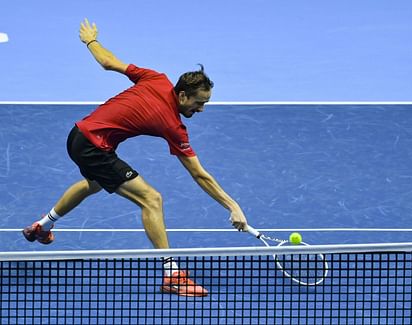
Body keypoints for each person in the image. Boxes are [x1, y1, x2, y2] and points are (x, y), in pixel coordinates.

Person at [22, 19, 248, 297]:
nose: (201, 109)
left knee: (93, 183)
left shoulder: (156, 78)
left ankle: (42, 226)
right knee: (151, 199)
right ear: (182, 95)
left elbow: (108, 62)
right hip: (93, 147)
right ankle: (172, 274)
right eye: (198, 103)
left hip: (78, 135)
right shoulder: (172, 126)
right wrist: (232, 205)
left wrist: (90, 40)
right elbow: (199, 174)